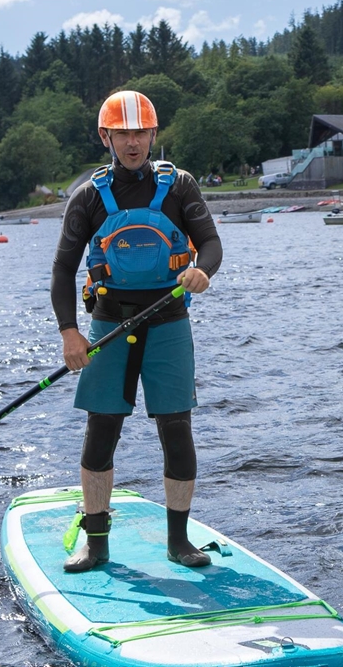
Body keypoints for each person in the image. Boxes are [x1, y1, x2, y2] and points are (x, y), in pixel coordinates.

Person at [50, 91, 223, 573]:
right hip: (109, 324)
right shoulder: (88, 197)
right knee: (101, 430)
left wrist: (203, 270)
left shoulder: (180, 186)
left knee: (177, 430)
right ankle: (96, 544)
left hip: (168, 322)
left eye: (141, 133)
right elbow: (63, 270)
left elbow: (210, 243)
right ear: (105, 137)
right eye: (123, 134)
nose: (133, 143)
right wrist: (69, 333)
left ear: (153, 134)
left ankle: (179, 541)